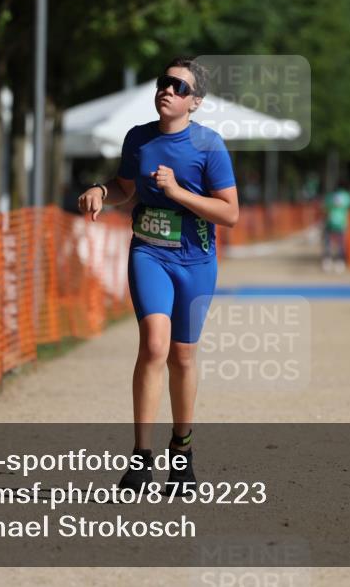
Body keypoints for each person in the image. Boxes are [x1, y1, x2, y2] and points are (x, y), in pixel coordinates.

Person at [76, 57, 239, 496]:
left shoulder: (209, 146)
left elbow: (230, 213)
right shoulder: (139, 139)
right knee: (153, 345)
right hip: (149, 253)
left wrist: (177, 193)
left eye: (179, 87)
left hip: (196, 261)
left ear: (196, 102)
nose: (167, 90)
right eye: (163, 82)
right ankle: (140, 458)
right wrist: (99, 190)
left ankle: (181, 450)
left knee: (182, 358)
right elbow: (124, 188)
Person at [323, 181, 350, 273]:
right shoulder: (347, 196)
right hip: (342, 223)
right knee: (341, 244)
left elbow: (326, 208)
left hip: (330, 222)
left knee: (328, 244)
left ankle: (327, 261)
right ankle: (340, 262)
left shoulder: (330, 196)